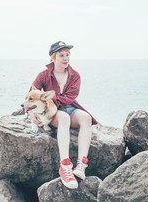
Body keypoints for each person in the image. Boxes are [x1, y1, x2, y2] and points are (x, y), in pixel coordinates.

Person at [27, 41, 98, 189]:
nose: (65, 58)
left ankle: (81, 165)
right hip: (53, 113)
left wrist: (48, 99)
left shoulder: (75, 76)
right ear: (53, 58)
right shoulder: (44, 75)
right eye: (61, 55)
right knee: (63, 118)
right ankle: (65, 167)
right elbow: (31, 94)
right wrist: (31, 112)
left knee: (86, 118)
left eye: (67, 55)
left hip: (70, 108)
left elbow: (70, 97)